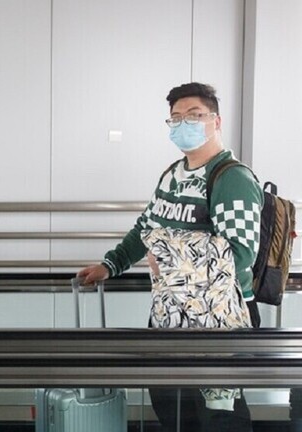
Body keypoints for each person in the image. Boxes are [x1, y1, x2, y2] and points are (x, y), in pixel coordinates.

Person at [77, 82, 263, 432]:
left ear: (216, 121)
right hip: (170, 312)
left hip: (218, 319)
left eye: (194, 115)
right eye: (175, 118)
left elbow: (240, 254)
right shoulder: (173, 175)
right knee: (171, 406)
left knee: (219, 413)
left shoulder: (232, 178)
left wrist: (170, 260)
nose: (183, 124)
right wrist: (111, 265)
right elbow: (146, 228)